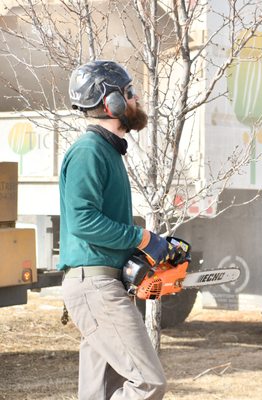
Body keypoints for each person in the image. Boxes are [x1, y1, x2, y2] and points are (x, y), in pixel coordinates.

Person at [59, 60, 175, 399]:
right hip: (95, 288)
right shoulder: (89, 151)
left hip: (104, 283)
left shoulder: (107, 152)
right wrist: (142, 237)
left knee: (100, 391)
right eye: (129, 93)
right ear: (113, 103)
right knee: (148, 382)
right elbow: (83, 220)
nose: (136, 99)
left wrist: (145, 254)